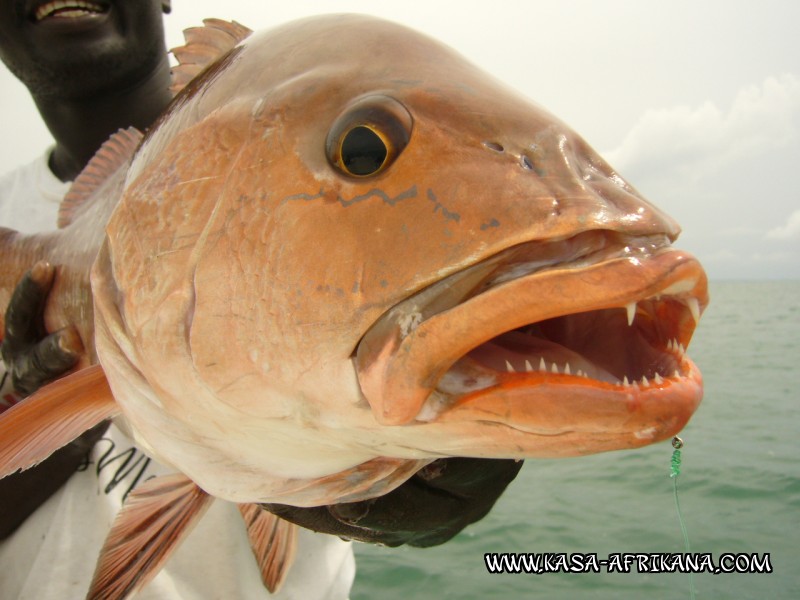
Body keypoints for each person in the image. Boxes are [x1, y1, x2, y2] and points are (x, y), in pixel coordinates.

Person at [0, 1, 522, 598]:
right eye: (362, 156)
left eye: (363, 156)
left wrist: (439, 479)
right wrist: (46, 418)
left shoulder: (295, 123)